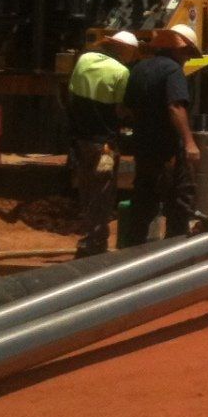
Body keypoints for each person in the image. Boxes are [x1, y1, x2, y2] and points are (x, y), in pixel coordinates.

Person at [118, 23, 203, 247]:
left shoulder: (139, 69)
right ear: (179, 50)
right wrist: (189, 142)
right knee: (180, 202)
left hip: (143, 147)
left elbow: (127, 108)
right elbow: (175, 106)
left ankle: (131, 252)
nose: (187, 59)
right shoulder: (173, 71)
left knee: (144, 201)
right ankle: (174, 254)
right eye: (186, 54)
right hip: (168, 151)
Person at [67, 31, 140, 256]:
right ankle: (96, 242)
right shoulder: (121, 72)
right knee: (103, 191)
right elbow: (120, 109)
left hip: (80, 141)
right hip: (105, 146)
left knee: (87, 188)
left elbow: (71, 93)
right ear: (125, 50)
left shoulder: (84, 59)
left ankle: (88, 238)